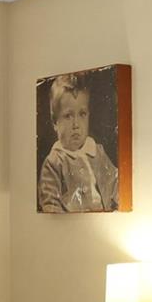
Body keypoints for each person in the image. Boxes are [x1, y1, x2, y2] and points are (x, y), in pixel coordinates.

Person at [39, 74, 120, 211]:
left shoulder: (97, 152)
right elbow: (50, 204)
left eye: (82, 114)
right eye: (68, 116)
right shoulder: (54, 162)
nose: (76, 124)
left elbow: (116, 184)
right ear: (55, 122)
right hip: (72, 225)